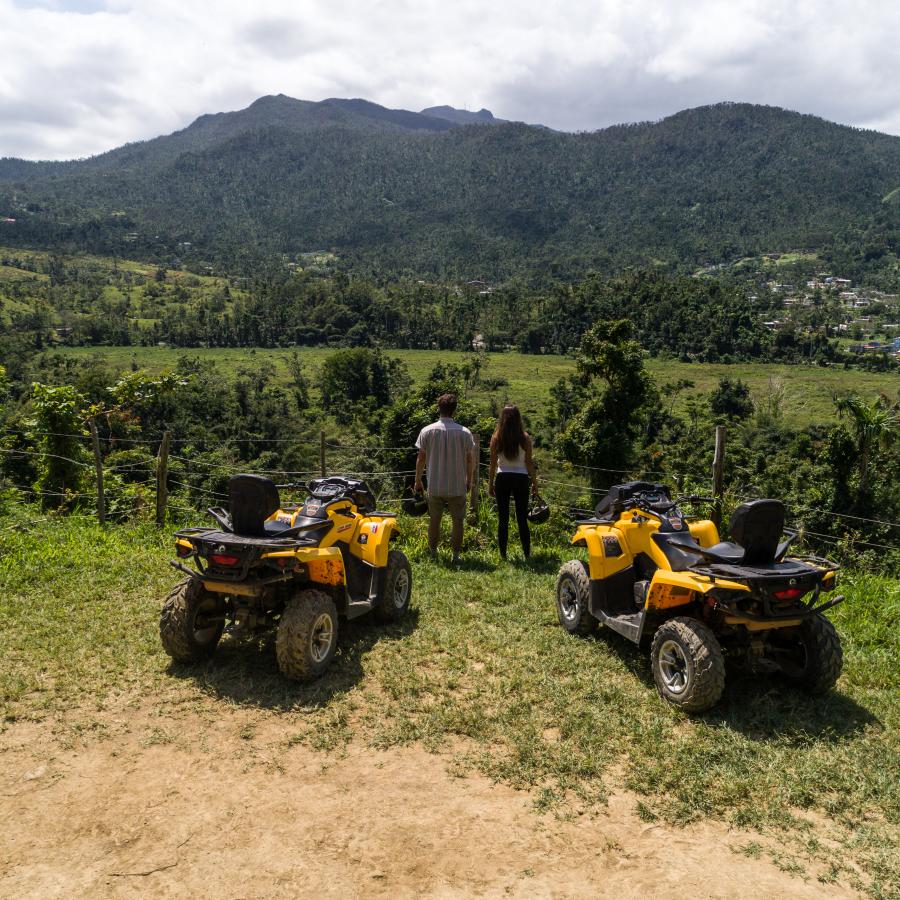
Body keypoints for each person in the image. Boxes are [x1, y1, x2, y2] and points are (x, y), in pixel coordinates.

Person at [414, 393, 476, 564]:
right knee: (458, 521)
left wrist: (418, 480)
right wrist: (469, 480)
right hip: (457, 485)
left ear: (438, 408)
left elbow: (421, 458)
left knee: (434, 520)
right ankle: (455, 555)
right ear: (454, 410)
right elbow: (470, 459)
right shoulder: (465, 433)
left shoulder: (427, 431)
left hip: (435, 484)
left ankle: (433, 552)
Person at [488, 404, 537, 560]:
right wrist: (535, 483)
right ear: (518, 418)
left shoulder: (496, 438)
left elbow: (493, 464)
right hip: (521, 478)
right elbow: (529, 463)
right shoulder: (525, 438)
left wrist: (490, 483)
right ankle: (527, 554)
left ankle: (503, 554)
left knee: (503, 518)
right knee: (522, 518)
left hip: (502, 477)